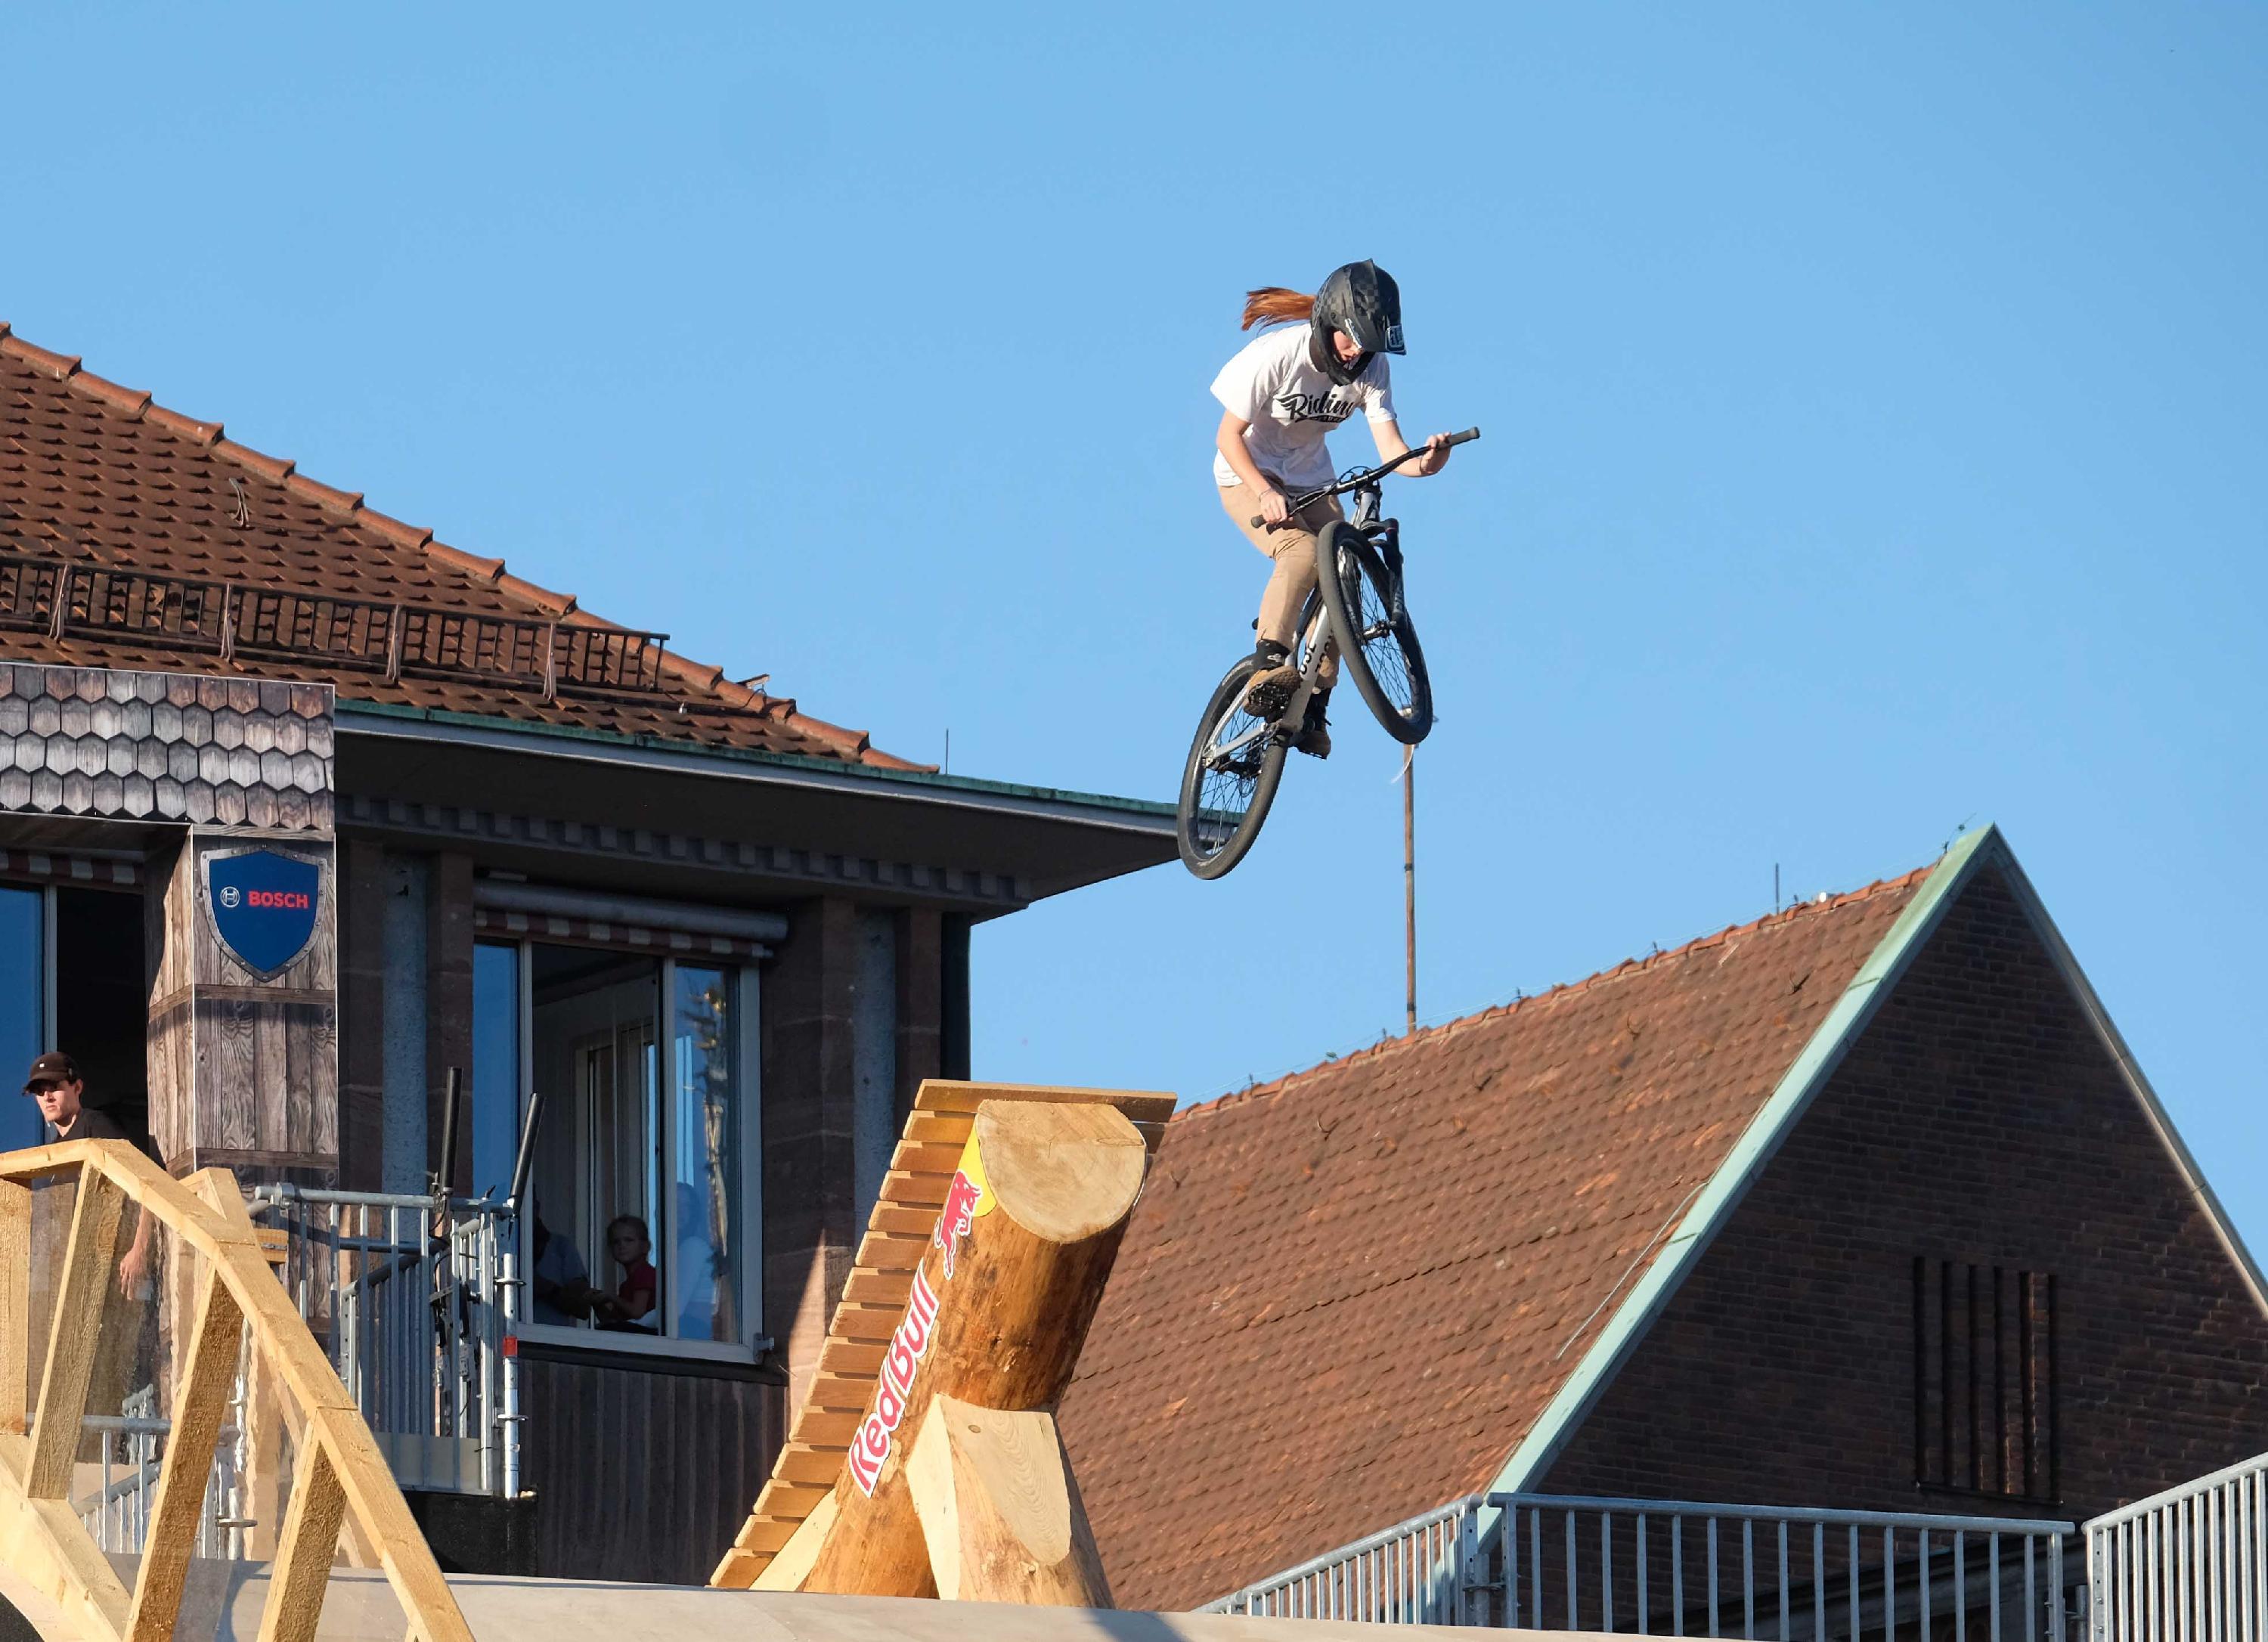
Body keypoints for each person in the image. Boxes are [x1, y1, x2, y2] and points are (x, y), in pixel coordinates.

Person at [1211, 260, 1456, 759]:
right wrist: (1263, 492)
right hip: (1247, 475)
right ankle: (1269, 663)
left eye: (1368, 345)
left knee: (1344, 573)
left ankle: (1315, 703)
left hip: (1311, 481)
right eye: (1350, 341)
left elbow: (1392, 449)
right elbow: (1227, 437)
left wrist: (1428, 464)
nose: (1357, 354)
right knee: (1300, 553)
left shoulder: (1373, 368)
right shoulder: (1279, 355)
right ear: (1329, 324)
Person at [23, 1052, 153, 1297]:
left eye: (54, 1087)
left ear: (77, 1087)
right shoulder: (53, 1152)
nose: (47, 1097)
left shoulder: (95, 1126)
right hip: (83, 1274)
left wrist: (139, 1251)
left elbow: (147, 1184)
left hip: (119, 1271)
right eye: (40, 1092)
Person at [527, 1210, 596, 1326]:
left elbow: (583, 1307)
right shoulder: (501, 1244)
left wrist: (547, 1289)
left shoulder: (560, 1246)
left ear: (536, 1205)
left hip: (551, 1338)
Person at [593, 1213, 658, 1333]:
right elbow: (620, 1321)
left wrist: (611, 1296)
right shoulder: (626, 1285)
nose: (622, 1245)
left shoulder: (644, 1273)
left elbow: (637, 1312)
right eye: (616, 1242)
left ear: (645, 1246)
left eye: (629, 1240)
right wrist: (598, 1304)